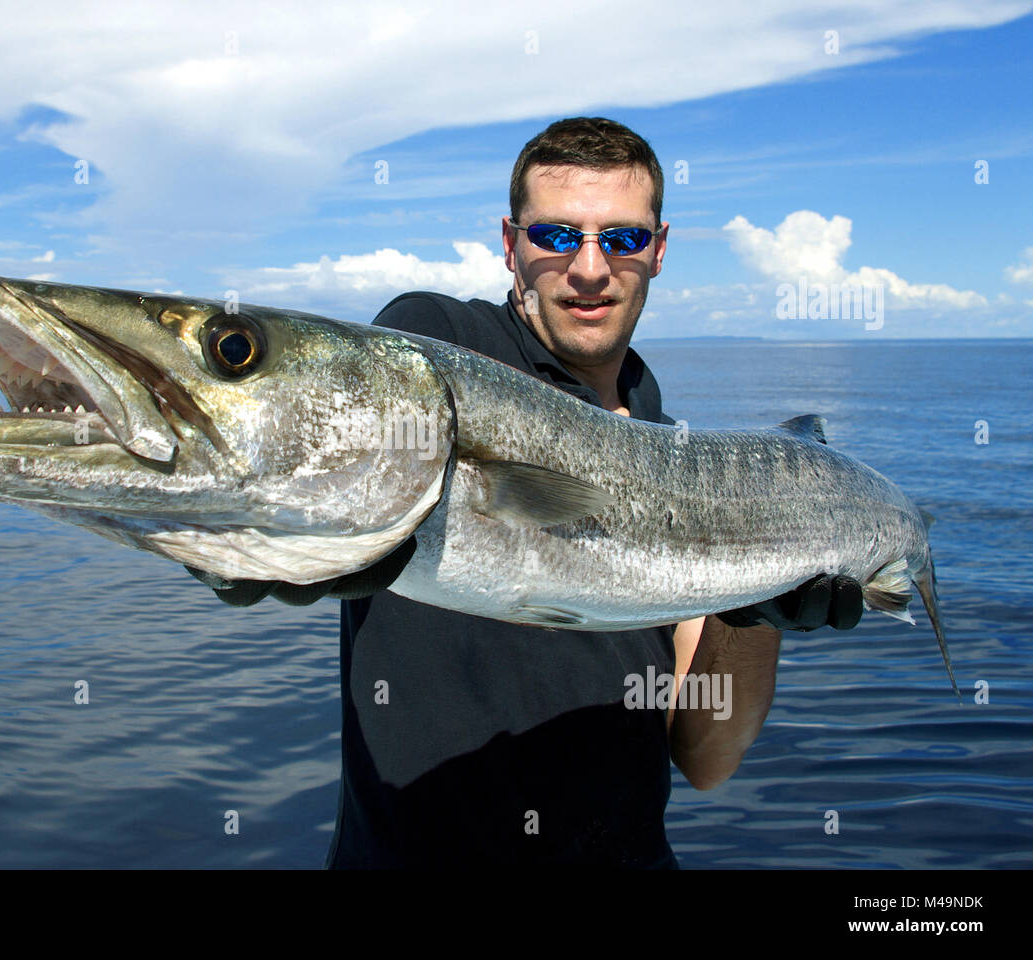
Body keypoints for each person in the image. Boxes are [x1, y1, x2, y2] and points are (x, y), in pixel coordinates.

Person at [190, 117, 863, 867]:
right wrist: (243, 540)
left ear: (658, 251)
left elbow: (707, 760)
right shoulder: (436, 346)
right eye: (555, 235)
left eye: (622, 239)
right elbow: (345, 433)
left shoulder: (681, 458)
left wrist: (754, 612)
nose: (587, 269)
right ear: (510, 246)